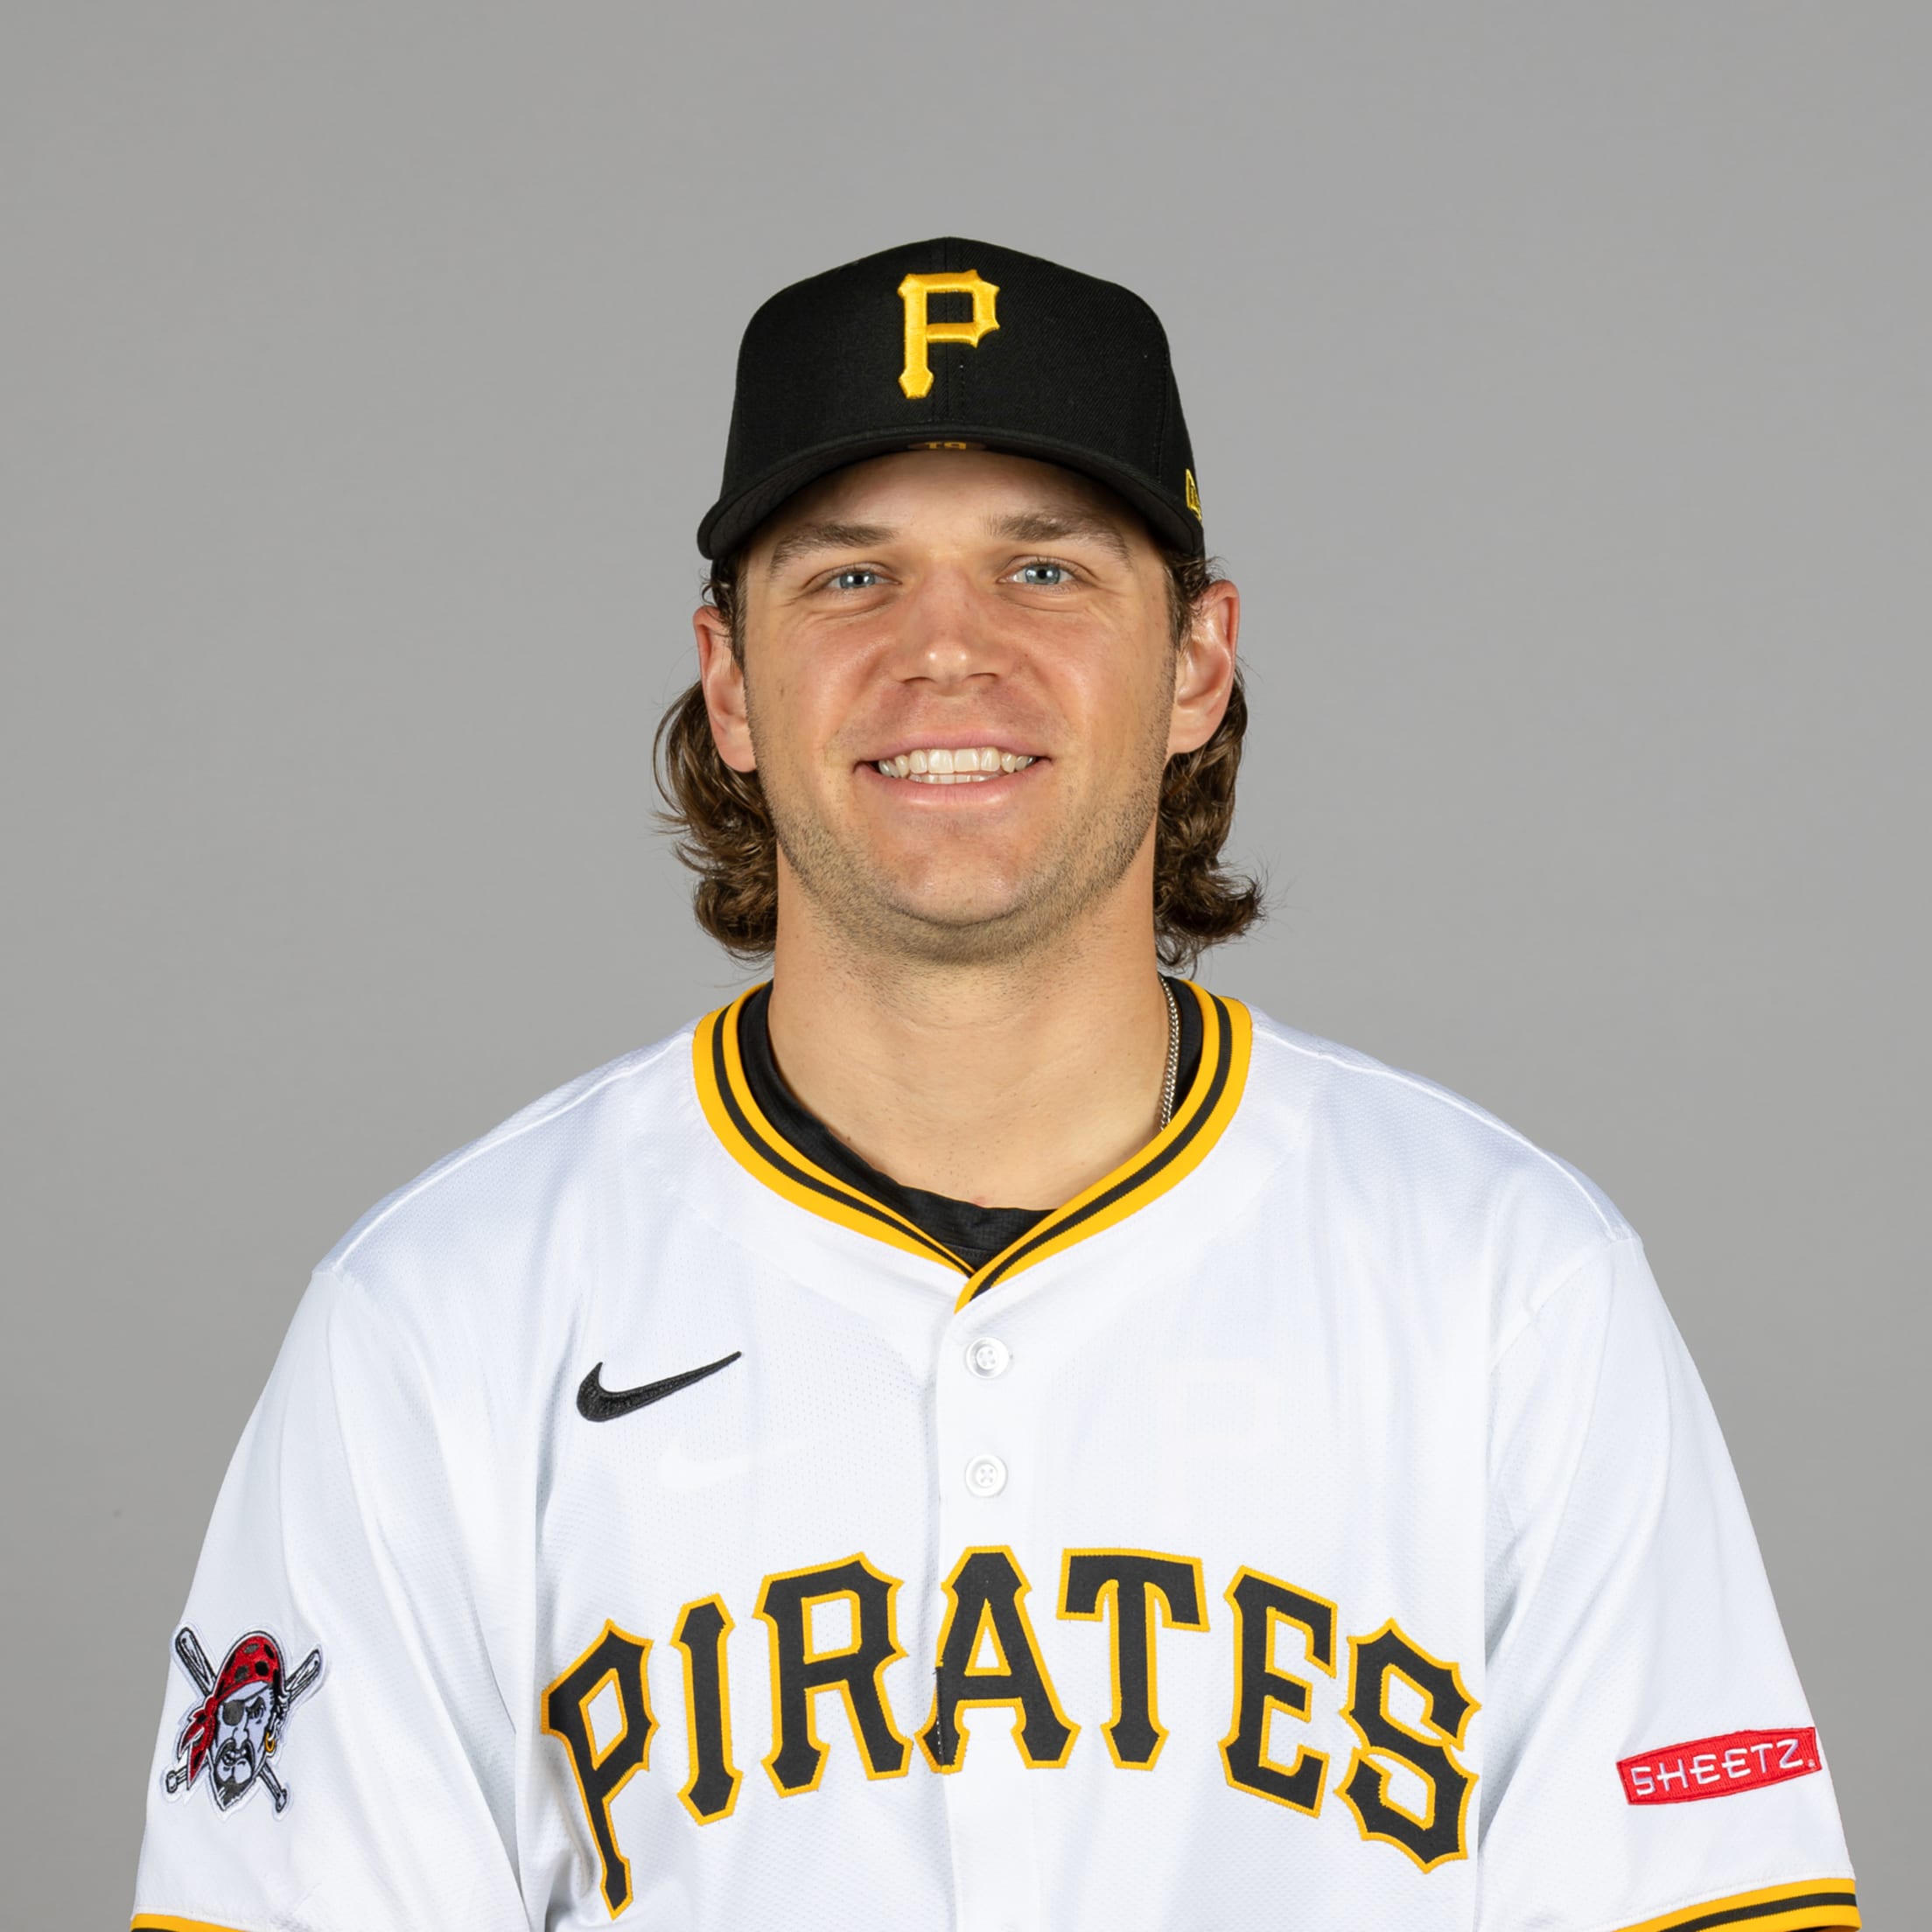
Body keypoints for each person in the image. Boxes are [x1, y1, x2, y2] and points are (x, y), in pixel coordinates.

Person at [132, 237, 1858, 1931]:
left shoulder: (1510, 1289)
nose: (946, 650)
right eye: (849, 579)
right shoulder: (439, 1321)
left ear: (1196, 661)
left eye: (1044, 570)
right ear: (730, 679)